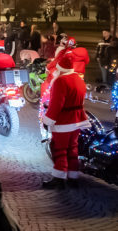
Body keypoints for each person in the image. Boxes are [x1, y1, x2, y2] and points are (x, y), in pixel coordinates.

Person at [42, 53, 90, 189]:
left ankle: (59, 178)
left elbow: (56, 104)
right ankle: (72, 177)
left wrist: (47, 121)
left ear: (59, 68)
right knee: (73, 148)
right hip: (78, 119)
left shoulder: (60, 81)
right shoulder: (79, 79)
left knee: (60, 149)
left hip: (64, 121)